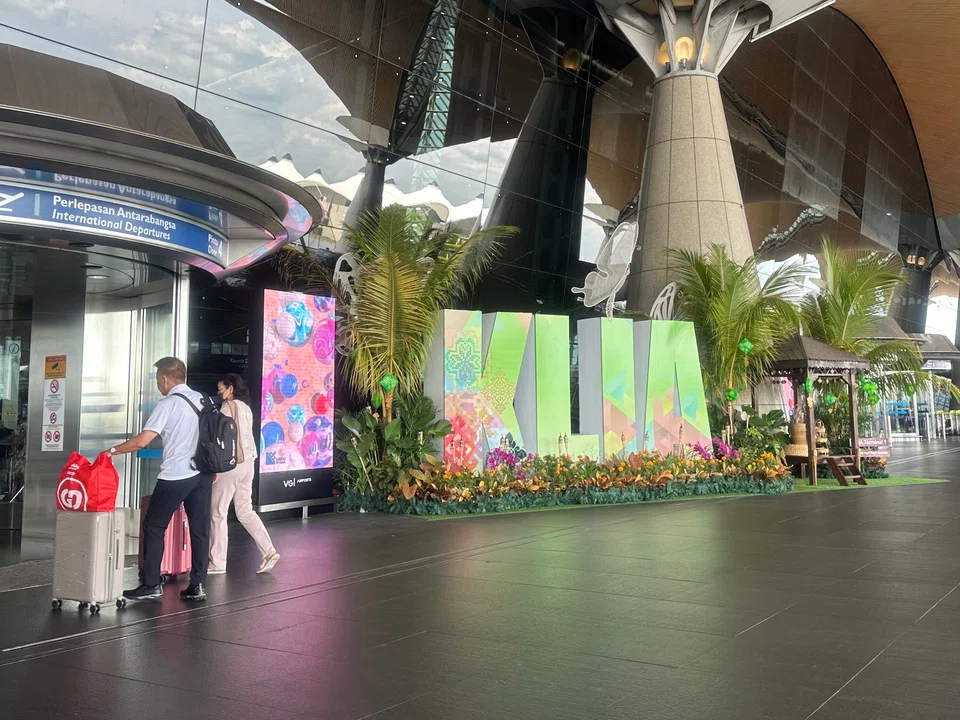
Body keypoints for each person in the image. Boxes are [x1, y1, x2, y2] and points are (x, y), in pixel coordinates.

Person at [110, 357, 212, 602]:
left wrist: (112, 451)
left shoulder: (167, 404)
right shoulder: (203, 399)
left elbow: (142, 441)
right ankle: (197, 584)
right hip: (203, 473)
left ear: (165, 379)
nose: (158, 385)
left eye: (158, 380)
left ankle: (151, 583)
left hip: (176, 474)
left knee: (154, 526)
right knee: (199, 530)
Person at [209, 374, 280, 575]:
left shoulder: (228, 407)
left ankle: (217, 562)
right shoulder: (246, 408)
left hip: (231, 464)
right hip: (249, 463)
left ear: (230, 388)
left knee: (218, 512)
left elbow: (221, 438)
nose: (219, 394)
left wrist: (216, 468)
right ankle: (269, 550)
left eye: (221, 389)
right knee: (245, 510)